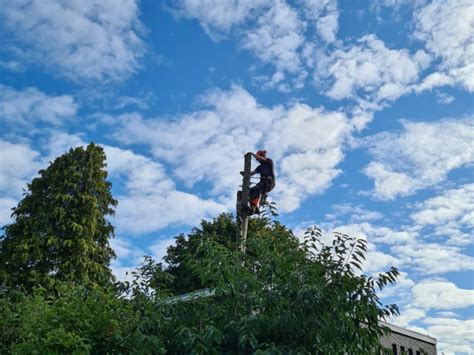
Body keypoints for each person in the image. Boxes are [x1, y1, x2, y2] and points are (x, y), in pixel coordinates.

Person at [247, 150, 275, 214]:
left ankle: (255, 206)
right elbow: (252, 173)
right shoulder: (259, 167)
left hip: (269, 183)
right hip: (262, 184)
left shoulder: (269, 161)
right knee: (251, 191)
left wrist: (252, 154)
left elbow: (260, 158)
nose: (258, 160)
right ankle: (254, 207)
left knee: (257, 188)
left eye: (258, 159)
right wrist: (246, 173)